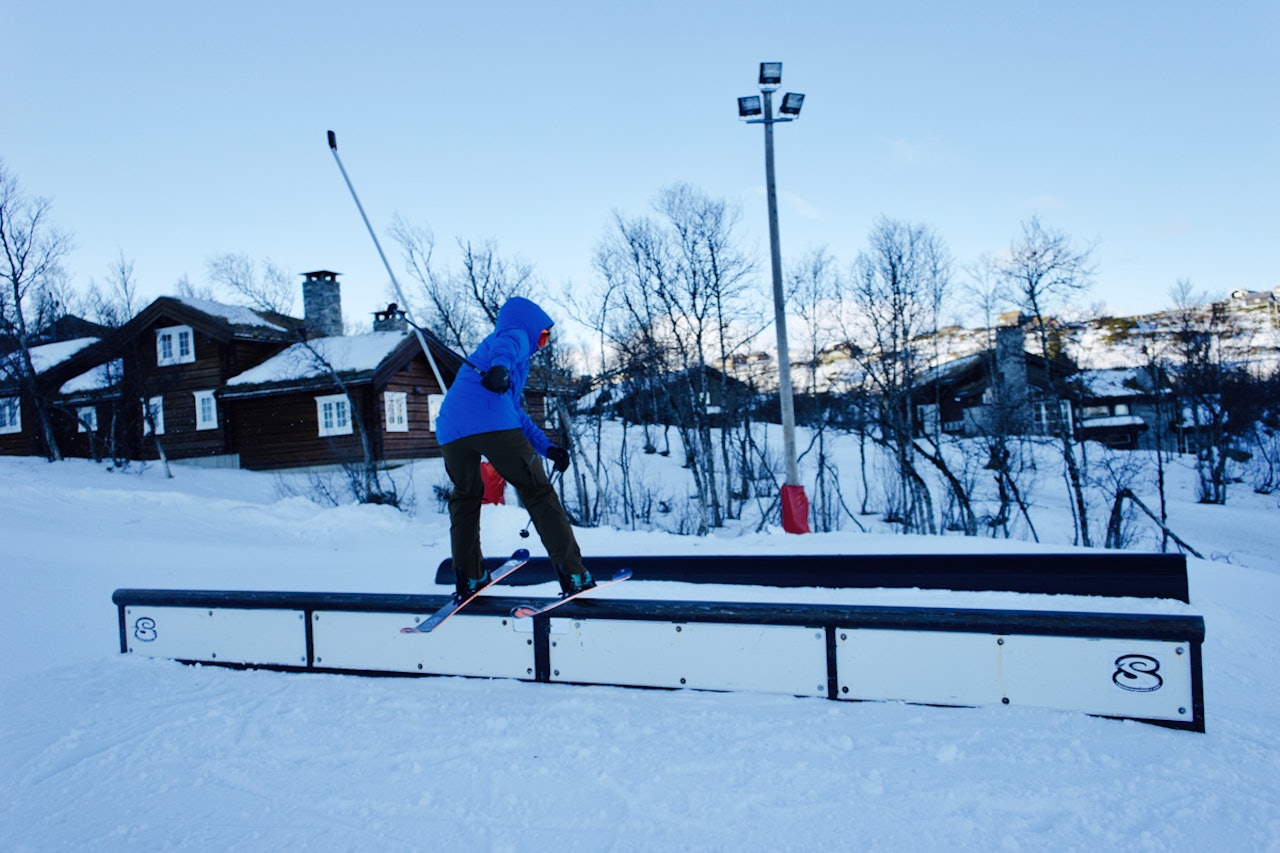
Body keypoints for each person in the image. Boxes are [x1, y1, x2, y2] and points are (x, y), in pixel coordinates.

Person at [433, 296, 593, 600]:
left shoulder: (495, 356)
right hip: (492, 423)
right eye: (542, 336)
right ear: (530, 325)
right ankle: (573, 572)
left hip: (451, 431)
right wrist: (500, 368)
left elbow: (515, 412)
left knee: (465, 497)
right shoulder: (514, 334)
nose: (542, 344)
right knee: (538, 492)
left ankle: (469, 576)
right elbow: (506, 347)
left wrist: (547, 448)